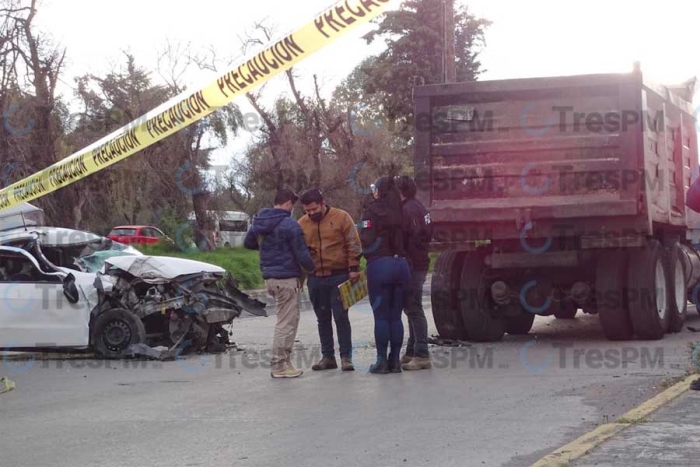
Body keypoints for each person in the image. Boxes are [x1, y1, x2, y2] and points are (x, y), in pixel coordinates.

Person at [244, 188, 315, 379]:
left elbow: (248, 243)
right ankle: (279, 365)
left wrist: (269, 247)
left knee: (289, 320)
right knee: (286, 323)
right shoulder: (290, 225)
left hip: (270, 277)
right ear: (288, 204)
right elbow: (302, 255)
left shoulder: (260, 221)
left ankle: (285, 362)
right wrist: (313, 268)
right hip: (286, 279)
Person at [298, 188, 362, 372]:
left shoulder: (342, 217)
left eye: (314, 209)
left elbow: (353, 243)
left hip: (339, 276)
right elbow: (299, 251)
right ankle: (328, 357)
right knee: (322, 318)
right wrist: (301, 277)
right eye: (307, 211)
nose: (311, 214)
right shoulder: (301, 223)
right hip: (315, 278)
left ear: (323, 203)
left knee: (341, 317)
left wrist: (353, 268)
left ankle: (346, 357)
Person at [359, 176, 411, 374]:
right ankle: (395, 361)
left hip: (380, 266)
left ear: (379, 190)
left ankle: (381, 361)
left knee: (381, 317)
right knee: (396, 316)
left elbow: (365, 238)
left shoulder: (371, 211)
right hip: (401, 265)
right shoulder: (402, 211)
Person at [396, 175, 434, 371]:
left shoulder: (406, 211)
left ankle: (422, 354)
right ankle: (412, 350)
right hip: (421, 260)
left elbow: (410, 236)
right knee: (411, 307)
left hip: (413, 263)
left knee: (413, 307)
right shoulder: (420, 207)